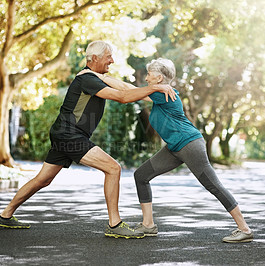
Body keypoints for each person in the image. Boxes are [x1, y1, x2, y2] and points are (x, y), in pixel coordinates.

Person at [0, 41, 176, 239]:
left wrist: (160, 93)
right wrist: (154, 89)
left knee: (42, 180)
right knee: (113, 168)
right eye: (108, 57)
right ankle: (114, 225)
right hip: (70, 134)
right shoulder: (87, 79)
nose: (112, 61)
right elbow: (122, 97)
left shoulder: (95, 77)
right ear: (94, 59)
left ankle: (5, 215)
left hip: (64, 133)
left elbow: (125, 87)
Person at [87, 58, 254, 243]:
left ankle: (244, 228)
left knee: (213, 185)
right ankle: (148, 224)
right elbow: (129, 88)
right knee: (141, 176)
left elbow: (127, 90)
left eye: (150, 74)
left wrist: (96, 76)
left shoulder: (165, 93)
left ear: (159, 78)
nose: (147, 77)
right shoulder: (159, 92)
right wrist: (101, 76)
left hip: (189, 144)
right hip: (175, 148)